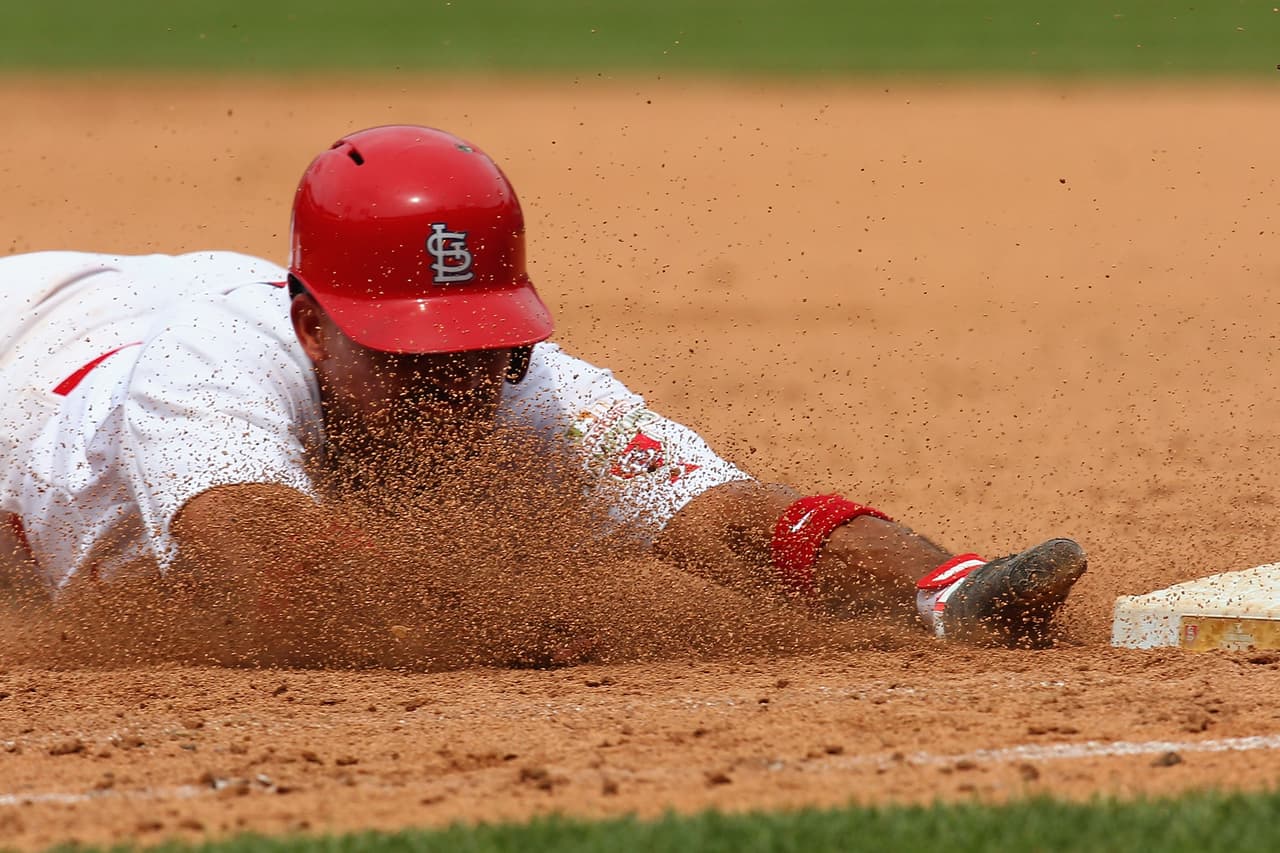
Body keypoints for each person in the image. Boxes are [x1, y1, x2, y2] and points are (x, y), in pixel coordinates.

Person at [0, 124, 1086, 658]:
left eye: (480, 348)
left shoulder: (530, 387)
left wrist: (944, 580)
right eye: (412, 355)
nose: (456, 387)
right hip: (33, 333)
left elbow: (725, 517)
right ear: (311, 327)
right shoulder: (212, 364)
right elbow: (281, 568)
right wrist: (505, 618)